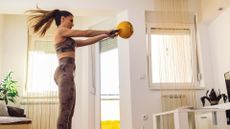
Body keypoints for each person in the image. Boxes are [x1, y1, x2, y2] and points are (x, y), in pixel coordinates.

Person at [27, 9, 118, 129]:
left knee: (69, 114)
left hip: (67, 73)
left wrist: (106, 35)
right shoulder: (61, 31)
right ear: (62, 19)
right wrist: (106, 30)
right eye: (71, 20)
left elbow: (88, 40)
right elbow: (86, 33)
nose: (72, 23)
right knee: (65, 113)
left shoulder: (68, 40)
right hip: (64, 73)